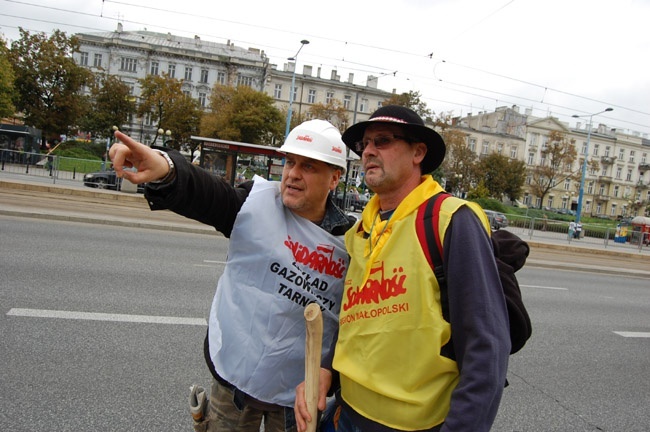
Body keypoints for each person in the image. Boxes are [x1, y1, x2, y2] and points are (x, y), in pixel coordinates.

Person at [109, 119, 355, 432]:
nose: (292, 174)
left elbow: (351, 324)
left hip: (298, 397)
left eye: (309, 166)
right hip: (234, 385)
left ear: (334, 178)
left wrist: (327, 372)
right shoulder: (255, 204)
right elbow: (210, 195)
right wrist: (166, 168)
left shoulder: (349, 242)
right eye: (290, 162)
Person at [295, 105, 511, 432]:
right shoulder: (360, 231)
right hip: (345, 417)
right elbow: (357, 315)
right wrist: (326, 369)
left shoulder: (450, 220)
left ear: (418, 152)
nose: (367, 151)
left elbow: (487, 351)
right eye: (364, 145)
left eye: (381, 141)